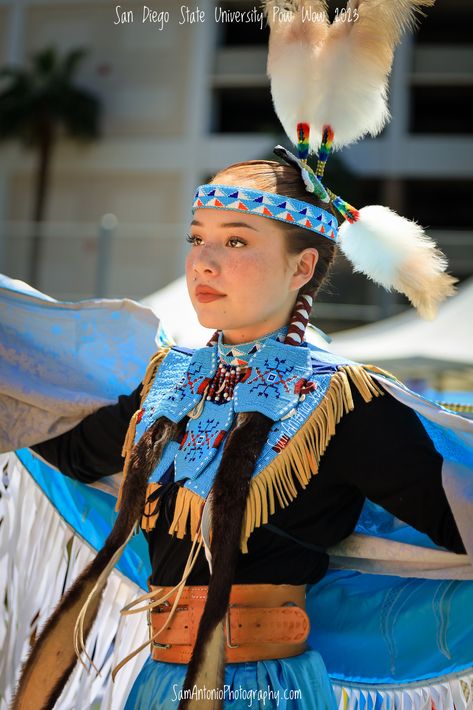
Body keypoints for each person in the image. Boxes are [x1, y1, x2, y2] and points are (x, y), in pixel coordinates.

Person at [8, 2, 473, 709]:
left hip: (268, 688)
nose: (204, 260)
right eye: (198, 237)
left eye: (236, 241)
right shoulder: (169, 383)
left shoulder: (343, 403)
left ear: (300, 269)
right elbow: (70, 448)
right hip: (158, 686)